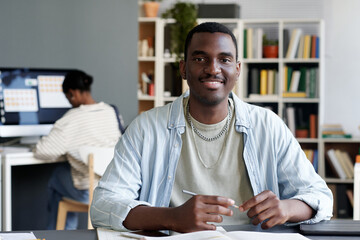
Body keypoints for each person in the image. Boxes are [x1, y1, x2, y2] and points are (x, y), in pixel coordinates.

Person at [90, 22, 332, 232]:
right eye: (200, 59)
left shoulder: (268, 126)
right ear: (183, 68)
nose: (213, 69)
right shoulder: (145, 128)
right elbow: (103, 205)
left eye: (224, 60)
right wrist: (172, 218)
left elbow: (320, 197)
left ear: (237, 70)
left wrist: (286, 207)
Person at [34, 70, 121, 230]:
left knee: (57, 176)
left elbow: (43, 150)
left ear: (72, 93)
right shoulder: (111, 112)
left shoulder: (71, 118)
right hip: (113, 189)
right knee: (66, 172)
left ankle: (60, 234)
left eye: (67, 98)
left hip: (88, 192)